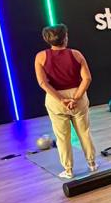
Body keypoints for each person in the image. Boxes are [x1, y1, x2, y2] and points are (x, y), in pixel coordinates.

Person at [34, 24, 97, 179]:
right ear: (65, 38)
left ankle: (68, 170)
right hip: (77, 96)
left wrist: (61, 99)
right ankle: (92, 164)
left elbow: (42, 82)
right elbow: (87, 78)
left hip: (56, 100)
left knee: (62, 137)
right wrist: (75, 98)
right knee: (84, 132)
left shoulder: (40, 57)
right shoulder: (76, 54)